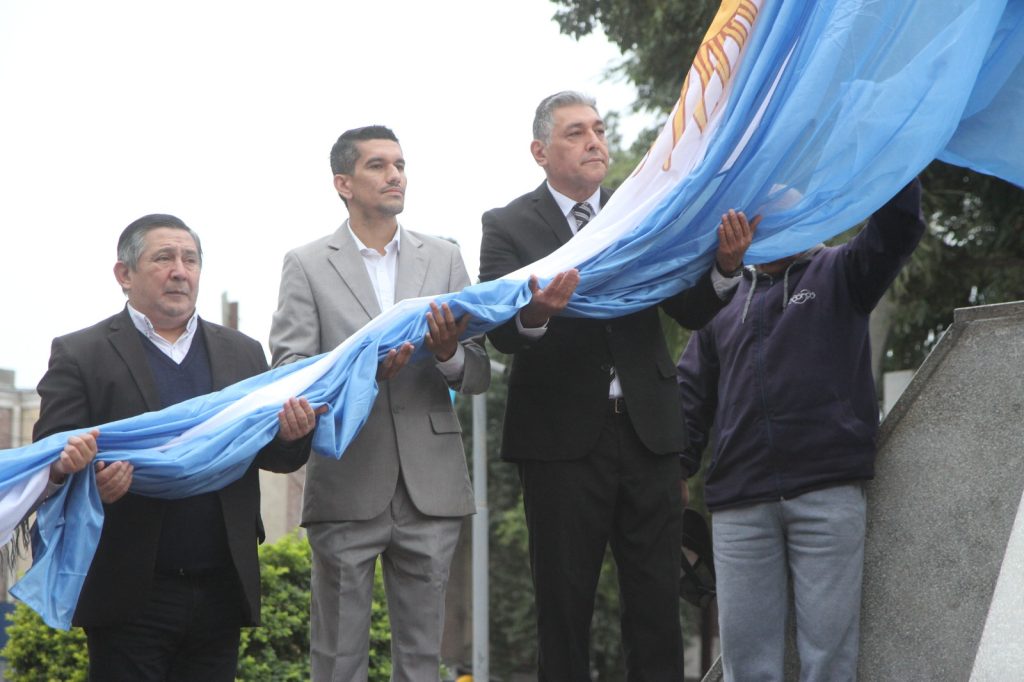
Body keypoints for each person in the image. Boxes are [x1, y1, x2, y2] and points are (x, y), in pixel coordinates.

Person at [477, 90, 754, 680]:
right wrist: (539, 313)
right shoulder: (506, 225)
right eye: (576, 132)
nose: (594, 141)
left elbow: (690, 308)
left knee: (655, 604)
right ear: (540, 151)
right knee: (564, 606)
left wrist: (725, 269)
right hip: (558, 444)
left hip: (650, 433)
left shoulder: (641, 210)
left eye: (599, 129)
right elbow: (501, 331)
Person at [33, 214, 322, 682]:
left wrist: (293, 433)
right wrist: (90, 483)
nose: (180, 270)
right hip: (127, 589)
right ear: (124, 275)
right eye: (163, 258)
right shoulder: (81, 353)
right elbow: (51, 460)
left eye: (190, 259)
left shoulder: (243, 353)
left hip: (221, 587)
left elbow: (274, 454)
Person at [676, 179, 925, 681]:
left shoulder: (842, 270)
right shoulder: (722, 298)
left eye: (783, 212)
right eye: (758, 218)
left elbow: (898, 228)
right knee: (747, 664)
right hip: (739, 504)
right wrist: (676, 470)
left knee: (828, 660)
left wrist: (893, 156)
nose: (767, 226)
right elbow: (689, 394)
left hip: (826, 492)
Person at [269, 125, 490, 681]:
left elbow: (478, 368)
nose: (395, 175)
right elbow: (290, 373)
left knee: (421, 661)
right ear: (343, 183)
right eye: (377, 165)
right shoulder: (307, 263)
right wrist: (361, 374)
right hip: (346, 478)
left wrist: (446, 356)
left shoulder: (444, 257)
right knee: (337, 658)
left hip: (431, 485)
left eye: (400, 164)